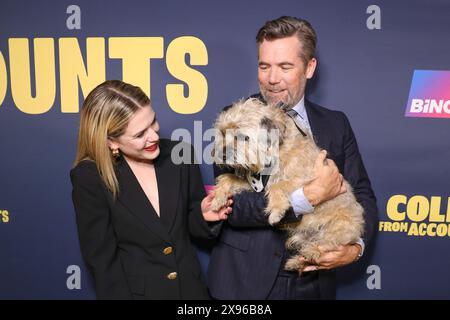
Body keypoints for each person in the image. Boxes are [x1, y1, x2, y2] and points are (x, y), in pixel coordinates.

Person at [207, 16, 378, 299]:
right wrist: (306, 197)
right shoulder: (236, 118)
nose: (272, 79)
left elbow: (362, 194)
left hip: (312, 281)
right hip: (244, 283)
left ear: (309, 68)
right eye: (264, 66)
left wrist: (355, 247)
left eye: (285, 67)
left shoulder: (336, 124)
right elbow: (233, 206)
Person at [70, 80, 230, 299]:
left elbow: (192, 228)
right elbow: (103, 263)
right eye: (139, 134)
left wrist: (203, 216)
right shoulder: (90, 177)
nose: (154, 136)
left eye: (153, 122)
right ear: (111, 142)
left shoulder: (180, 153)